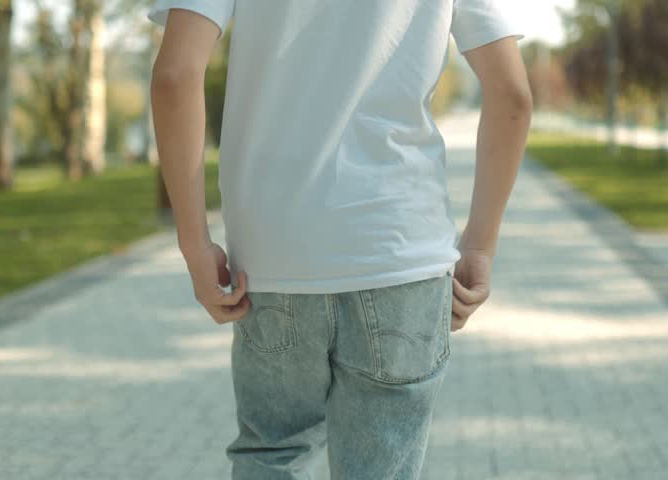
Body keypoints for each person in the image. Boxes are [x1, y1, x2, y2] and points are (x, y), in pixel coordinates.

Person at [147, 0, 531, 478]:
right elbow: (513, 95)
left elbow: (174, 77)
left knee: (275, 455)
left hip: (273, 262)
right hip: (399, 254)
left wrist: (194, 244)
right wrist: (480, 245)